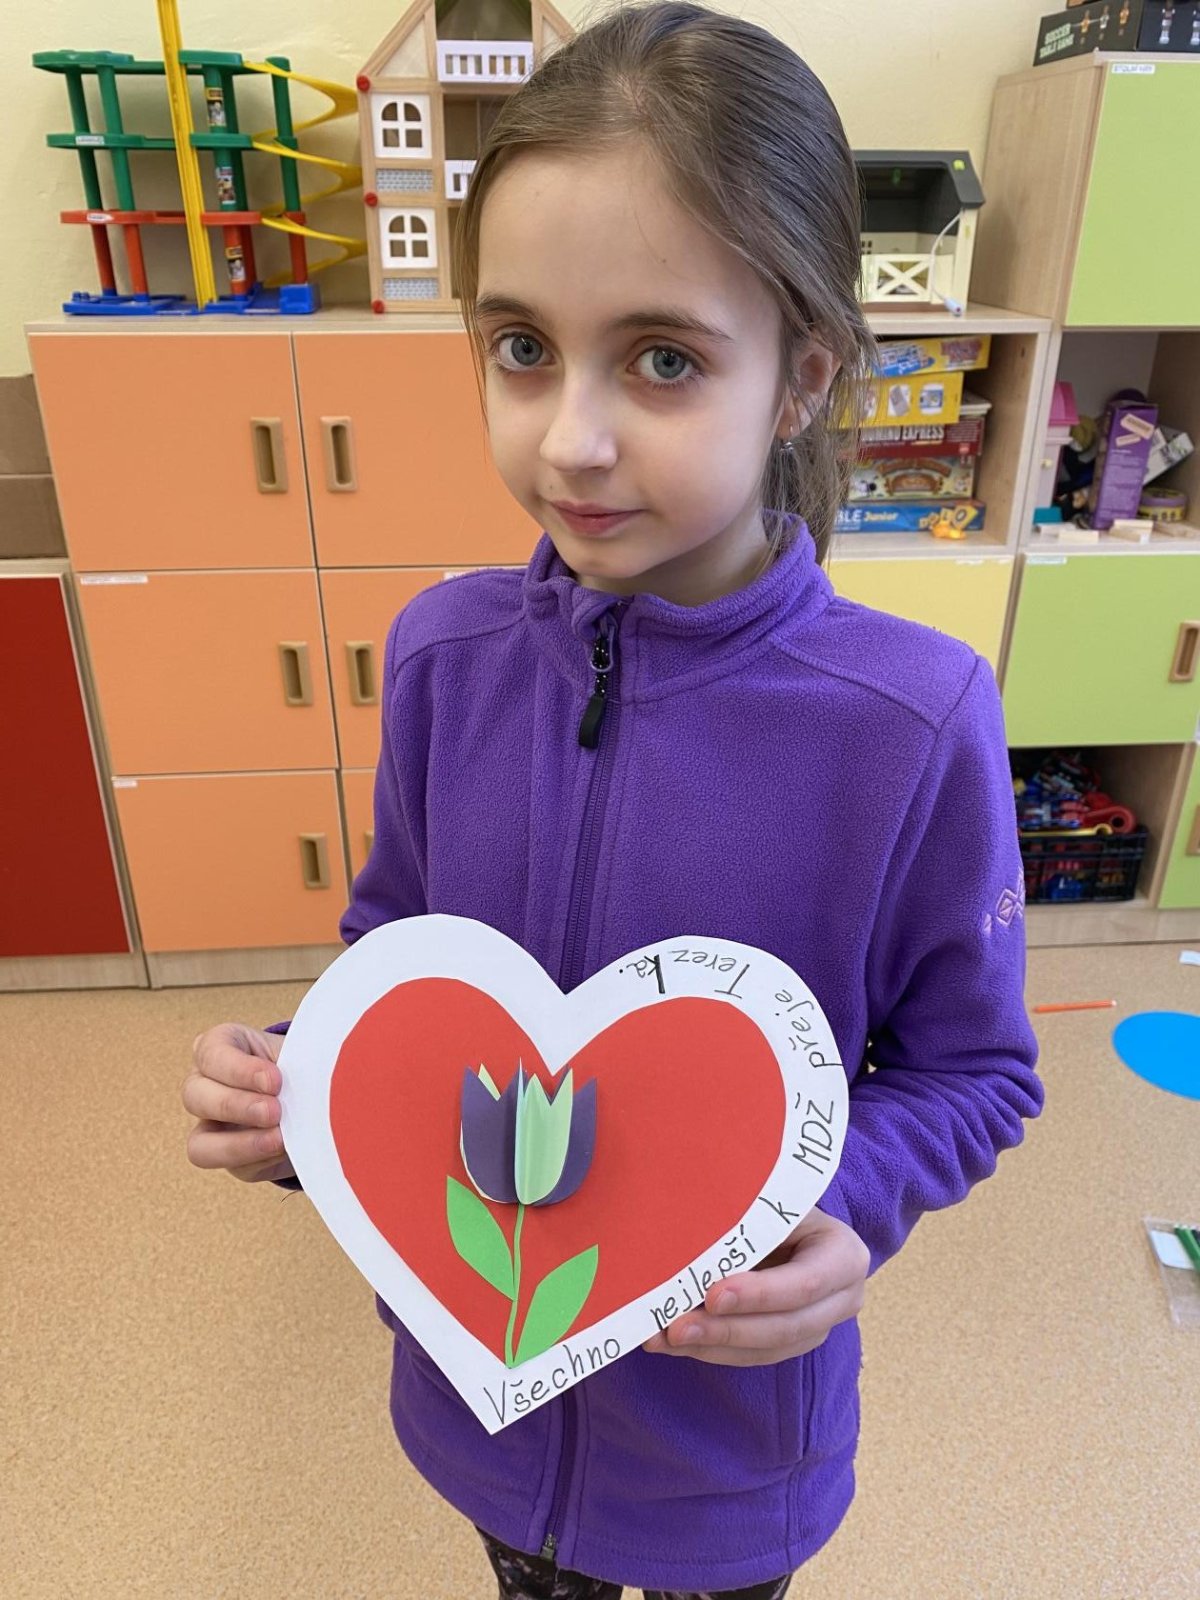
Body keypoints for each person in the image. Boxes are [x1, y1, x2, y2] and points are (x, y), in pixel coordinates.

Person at [182, 5, 1043, 1596]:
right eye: (521, 347)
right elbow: (405, 956)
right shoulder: (443, 656)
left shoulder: (913, 723)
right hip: (478, 1408)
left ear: (802, 377)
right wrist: (303, 1084)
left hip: (729, 1448)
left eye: (664, 360)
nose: (571, 440)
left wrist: (851, 1207)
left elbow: (973, 1072)